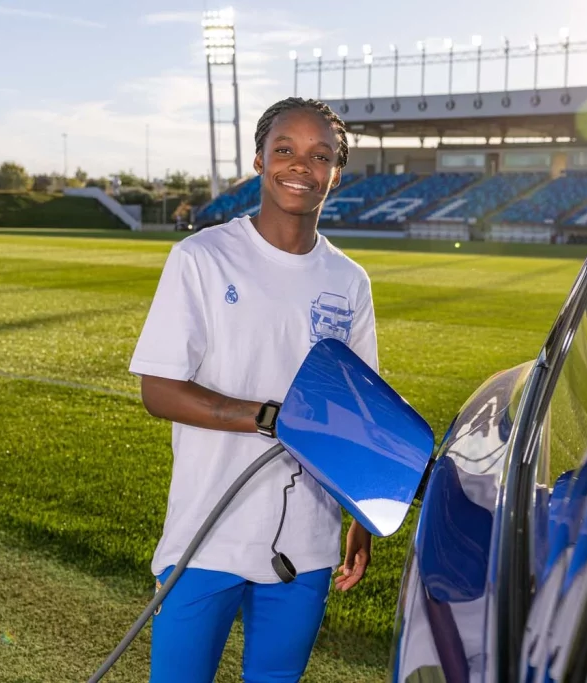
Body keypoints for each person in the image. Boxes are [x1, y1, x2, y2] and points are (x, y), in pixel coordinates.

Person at [128, 97, 379, 683]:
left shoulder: (350, 281)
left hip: (307, 544)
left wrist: (361, 516)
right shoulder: (202, 257)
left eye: (320, 155)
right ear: (259, 160)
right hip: (205, 534)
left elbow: (358, 413)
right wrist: (269, 416)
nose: (301, 166)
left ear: (336, 173)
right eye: (285, 150)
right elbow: (158, 390)